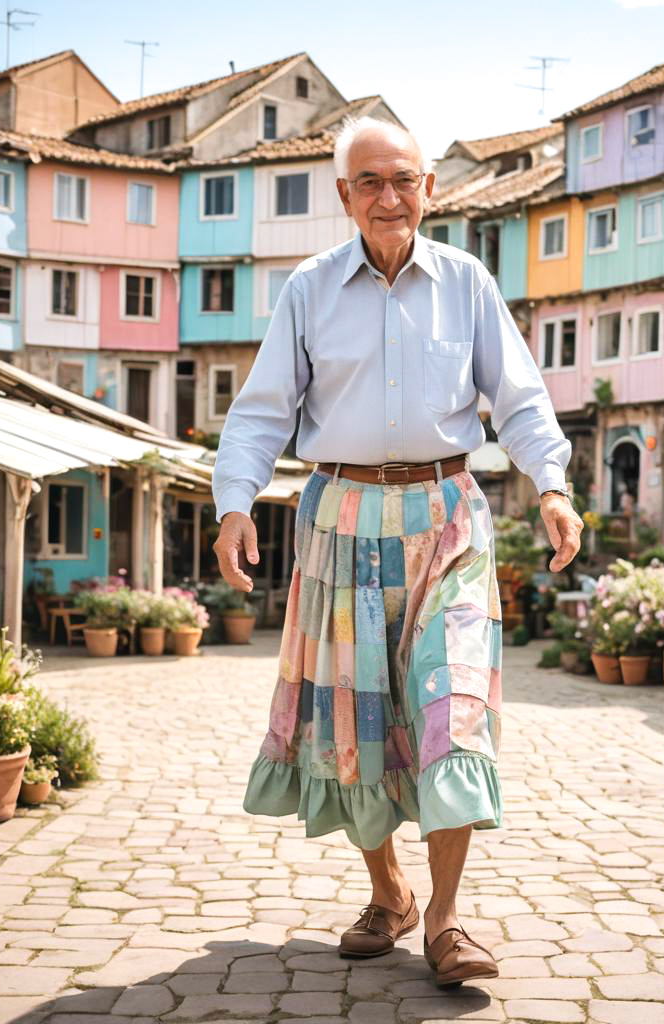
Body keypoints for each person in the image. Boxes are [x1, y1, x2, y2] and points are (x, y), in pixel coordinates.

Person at [212, 116, 582, 986]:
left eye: (404, 180)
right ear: (343, 196)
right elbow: (262, 412)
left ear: (431, 188)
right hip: (340, 517)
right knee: (356, 721)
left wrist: (554, 486)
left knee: (454, 711)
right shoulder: (307, 290)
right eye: (370, 182)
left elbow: (521, 400)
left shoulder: (467, 282)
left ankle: (447, 922)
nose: (389, 196)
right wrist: (234, 509)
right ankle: (390, 892)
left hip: (447, 517)